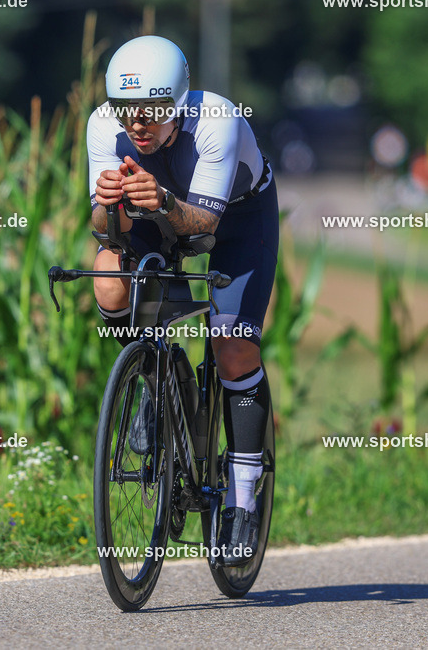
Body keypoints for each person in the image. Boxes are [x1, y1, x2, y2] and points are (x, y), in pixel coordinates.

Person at [86, 35, 279, 566]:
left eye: (151, 111)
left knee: (232, 345)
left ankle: (242, 500)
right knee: (107, 278)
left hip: (235, 219)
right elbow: (106, 230)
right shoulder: (104, 125)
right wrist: (108, 207)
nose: (137, 124)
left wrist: (164, 199)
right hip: (155, 210)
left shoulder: (218, 120)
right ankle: (150, 375)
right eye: (128, 110)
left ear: (177, 103)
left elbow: (204, 228)